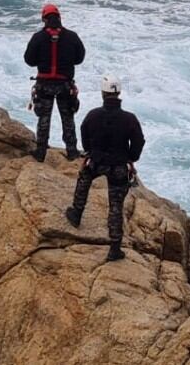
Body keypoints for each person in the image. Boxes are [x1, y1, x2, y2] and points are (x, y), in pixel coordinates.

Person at [65, 74, 145, 262]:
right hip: (118, 165)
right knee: (115, 206)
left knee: (84, 179)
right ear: (119, 94)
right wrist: (131, 157)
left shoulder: (93, 115)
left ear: (103, 93)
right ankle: (114, 247)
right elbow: (139, 141)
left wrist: (90, 151)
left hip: (96, 161)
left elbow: (84, 133)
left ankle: (76, 213)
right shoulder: (129, 119)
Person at [24, 3, 86, 162]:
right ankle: (72, 152)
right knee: (68, 118)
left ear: (44, 19)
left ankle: (40, 152)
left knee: (43, 119)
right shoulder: (72, 36)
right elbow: (80, 58)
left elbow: (29, 60)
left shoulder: (38, 37)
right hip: (65, 85)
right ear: (59, 17)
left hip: (44, 85)